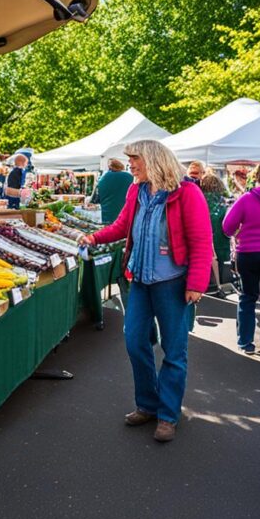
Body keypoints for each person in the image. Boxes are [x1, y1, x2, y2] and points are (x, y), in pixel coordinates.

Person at [79, 140, 212, 442]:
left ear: (153, 159)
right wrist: (94, 238)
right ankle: (148, 404)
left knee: (174, 350)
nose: (131, 165)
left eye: (135, 159)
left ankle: (167, 415)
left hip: (173, 283)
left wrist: (195, 284)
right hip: (139, 280)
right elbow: (122, 225)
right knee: (135, 340)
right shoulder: (136, 191)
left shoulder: (187, 193)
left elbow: (202, 241)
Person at [222, 162, 260, 362]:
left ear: (255, 177)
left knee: (248, 296)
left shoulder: (246, 199)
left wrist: (238, 232)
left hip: (249, 252)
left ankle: (246, 342)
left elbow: (227, 226)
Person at [199, 174, 231, 294]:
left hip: (204, 249)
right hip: (222, 247)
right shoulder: (223, 204)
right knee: (223, 284)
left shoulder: (198, 200)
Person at [91, 158, 134, 224]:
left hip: (108, 217)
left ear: (109, 167)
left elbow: (95, 199)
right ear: (121, 166)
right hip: (126, 217)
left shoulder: (102, 178)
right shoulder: (130, 177)